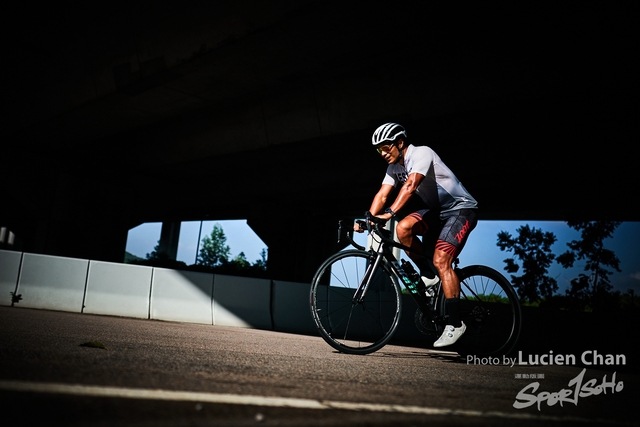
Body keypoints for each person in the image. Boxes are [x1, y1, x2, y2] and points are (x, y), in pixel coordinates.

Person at [355, 122, 478, 347]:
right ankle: (427, 274)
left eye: (386, 147)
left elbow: (411, 186)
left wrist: (389, 213)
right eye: (378, 149)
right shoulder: (393, 168)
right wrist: (368, 220)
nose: (382, 153)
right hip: (438, 212)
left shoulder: (422, 152)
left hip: (461, 209)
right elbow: (382, 195)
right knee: (403, 228)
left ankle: (455, 323)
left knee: (442, 261)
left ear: (400, 143)